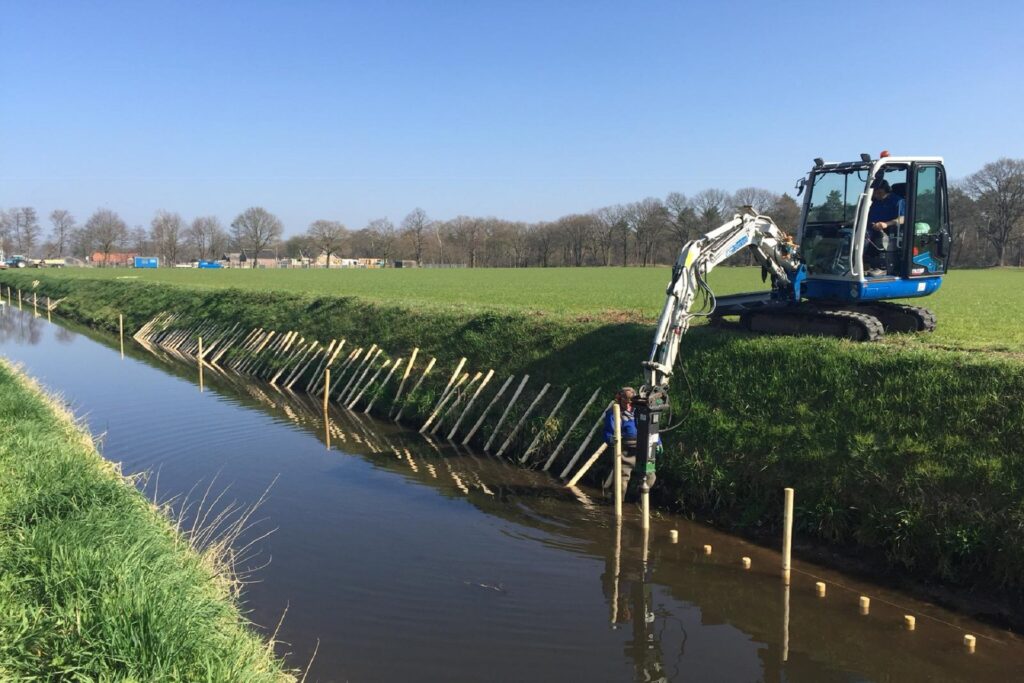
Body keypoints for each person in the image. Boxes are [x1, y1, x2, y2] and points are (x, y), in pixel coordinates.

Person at [865, 178, 905, 276]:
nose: (876, 195)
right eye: (875, 193)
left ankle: (880, 267)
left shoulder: (898, 201)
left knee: (863, 239)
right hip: (868, 228)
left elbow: (903, 218)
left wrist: (886, 224)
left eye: (879, 192)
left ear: (887, 190)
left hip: (885, 231)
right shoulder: (873, 202)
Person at [603, 387, 638, 499]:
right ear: (619, 399)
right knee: (622, 481)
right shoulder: (614, 413)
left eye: (630, 402)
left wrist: (658, 441)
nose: (628, 405)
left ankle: (637, 500)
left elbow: (652, 428)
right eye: (625, 402)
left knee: (650, 477)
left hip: (644, 450)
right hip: (626, 451)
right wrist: (611, 439)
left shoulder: (641, 411)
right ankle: (616, 504)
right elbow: (608, 432)